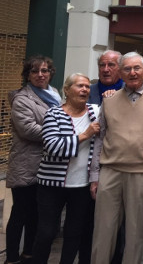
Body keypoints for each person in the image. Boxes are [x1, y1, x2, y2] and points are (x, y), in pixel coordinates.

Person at [90, 52, 143, 264]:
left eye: (137, 68)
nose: (132, 72)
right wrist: (94, 175)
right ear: (120, 72)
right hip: (110, 171)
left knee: (135, 231)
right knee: (103, 230)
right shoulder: (108, 101)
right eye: (127, 69)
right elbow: (100, 138)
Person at [33, 73, 100, 264]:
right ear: (67, 90)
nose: (85, 90)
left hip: (81, 185)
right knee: (46, 232)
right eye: (79, 86)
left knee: (74, 233)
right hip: (51, 185)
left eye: (87, 86)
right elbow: (52, 146)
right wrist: (84, 135)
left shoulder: (95, 111)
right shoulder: (53, 113)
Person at [6, 56, 60, 264]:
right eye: (35, 71)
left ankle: (28, 253)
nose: (40, 75)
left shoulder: (54, 94)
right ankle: (11, 259)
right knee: (20, 212)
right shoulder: (22, 99)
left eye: (44, 70)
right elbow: (28, 129)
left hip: (45, 164)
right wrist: (58, 132)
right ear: (27, 75)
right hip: (26, 164)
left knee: (37, 214)